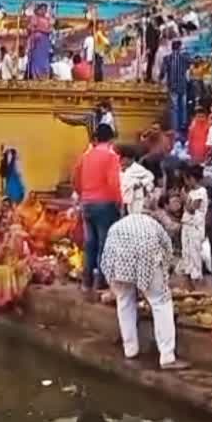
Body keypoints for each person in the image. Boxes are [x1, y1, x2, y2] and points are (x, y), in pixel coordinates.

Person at [100, 212, 186, 369]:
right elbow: (167, 255)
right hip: (145, 255)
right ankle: (167, 356)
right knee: (161, 301)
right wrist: (164, 278)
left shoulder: (119, 224)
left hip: (118, 261)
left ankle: (130, 349)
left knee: (124, 300)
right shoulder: (157, 227)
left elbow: (106, 254)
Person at [73, 123, 122, 294]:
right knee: (104, 243)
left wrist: (83, 194)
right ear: (111, 138)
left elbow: (76, 179)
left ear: (95, 138)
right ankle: (100, 282)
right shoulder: (111, 156)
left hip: (87, 202)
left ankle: (86, 281)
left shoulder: (85, 156)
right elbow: (113, 182)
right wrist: (118, 201)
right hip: (105, 203)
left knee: (90, 243)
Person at [179, 164, 208, 292]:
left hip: (195, 227)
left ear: (192, 178)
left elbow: (191, 209)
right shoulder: (191, 192)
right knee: (187, 253)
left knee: (195, 254)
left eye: (187, 179)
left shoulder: (201, 192)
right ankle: (189, 283)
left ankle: (198, 284)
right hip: (187, 225)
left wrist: (185, 198)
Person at [160, 39, 191, 135]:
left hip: (172, 86)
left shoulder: (167, 58)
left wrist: (159, 80)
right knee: (183, 106)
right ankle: (183, 125)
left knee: (175, 108)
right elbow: (192, 64)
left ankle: (176, 127)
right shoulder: (184, 58)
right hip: (182, 86)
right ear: (180, 47)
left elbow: (162, 73)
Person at [119, 145, 154, 215]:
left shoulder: (137, 168)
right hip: (124, 198)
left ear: (131, 159)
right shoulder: (120, 169)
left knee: (135, 217)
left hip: (136, 199)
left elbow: (150, 176)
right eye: (122, 159)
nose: (122, 160)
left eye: (125, 159)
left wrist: (141, 183)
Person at [25, 2, 53, 79]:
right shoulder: (34, 18)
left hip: (44, 42)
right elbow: (30, 28)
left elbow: (50, 29)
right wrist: (37, 31)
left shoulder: (47, 19)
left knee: (44, 59)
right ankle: (36, 75)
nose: (44, 11)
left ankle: (44, 75)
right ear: (38, 10)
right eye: (42, 9)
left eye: (45, 9)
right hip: (37, 41)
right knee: (36, 59)